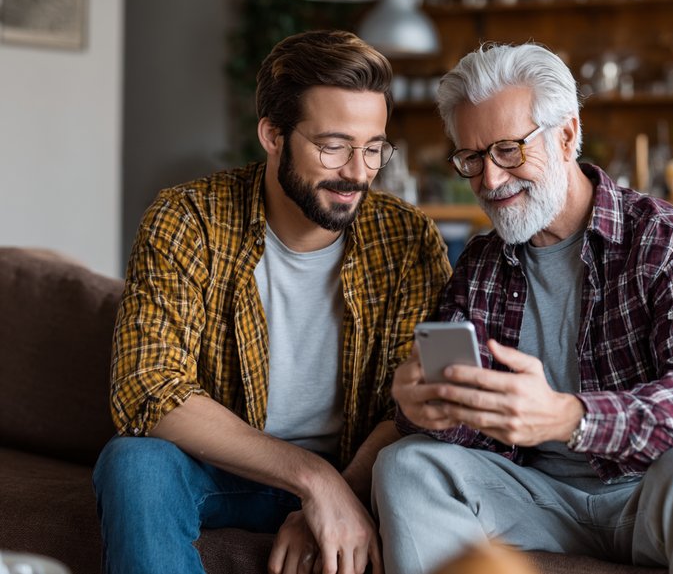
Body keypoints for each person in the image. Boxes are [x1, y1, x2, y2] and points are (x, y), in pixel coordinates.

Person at [372, 42, 673, 574]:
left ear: (565, 134)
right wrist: (425, 408)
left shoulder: (668, 240)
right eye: (471, 158)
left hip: (654, 491)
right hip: (538, 500)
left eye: (509, 150)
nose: (490, 181)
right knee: (405, 465)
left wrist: (571, 418)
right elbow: (478, 429)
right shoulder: (480, 263)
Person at [93, 30, 451, 574]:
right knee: (134, 463)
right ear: (273, 134)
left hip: (363, 470)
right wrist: (312, 479)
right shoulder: (188, 220)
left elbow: (416, 403)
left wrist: (341, 489)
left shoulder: (407, 241)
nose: (358, 172)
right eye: (333, 145)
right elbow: (148, 387)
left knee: (416, 467)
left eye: (373, 147)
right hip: (229, 469)